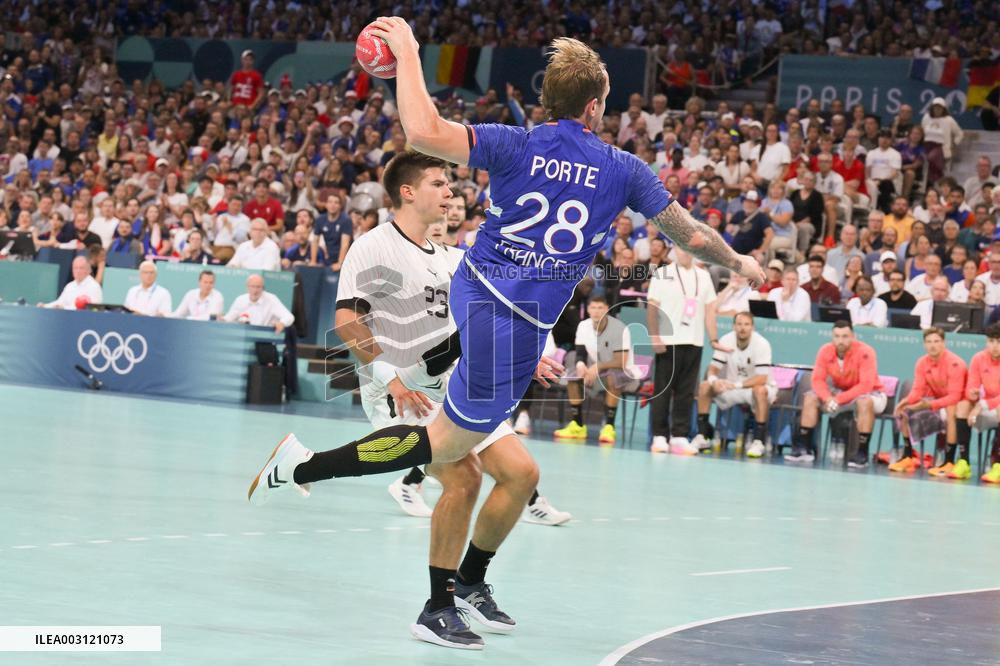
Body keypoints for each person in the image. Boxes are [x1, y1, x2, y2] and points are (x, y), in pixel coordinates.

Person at [246, 29, 762, 647]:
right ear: (596, 106)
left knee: (518, 474)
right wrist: (741, 263)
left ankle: (469, 581)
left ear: (549, 100)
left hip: (503, 313)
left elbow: (424, 130)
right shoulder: (625, 169)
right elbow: (693, 237)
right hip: (495, 314)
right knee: (445, 455)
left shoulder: (514, 143)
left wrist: (408, 60)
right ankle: (312, 479)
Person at [329, 153, 566, 650]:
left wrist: (526, 355)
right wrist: (391, 377)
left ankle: (471, 581)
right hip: (400, 390)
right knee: (463, 478)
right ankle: (436, 608)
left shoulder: (453, 256)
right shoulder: (373, 247)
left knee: (522, 475)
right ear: (408, 192)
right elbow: (349, 320)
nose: (450, 192)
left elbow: (476, 322)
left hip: (453, 384)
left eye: (451, 184)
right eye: (440, 183)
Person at [647, 247, 726, 454]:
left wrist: (714, 339)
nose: (685, 253)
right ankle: (659, 435)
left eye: (689, 250)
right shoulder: (663, 274)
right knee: (663, 390)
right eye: (681, 249)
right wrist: (654, 336)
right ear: (674, 251)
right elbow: (652, 308)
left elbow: (710, 310)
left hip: (694, 341)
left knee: (686, 391)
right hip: (668, 340)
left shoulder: (704, 276)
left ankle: (679, 436)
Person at [786, 320, 885, 467]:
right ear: (832, 337)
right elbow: (818, 380)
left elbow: (866, 385)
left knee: (864, 402)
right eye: (837, 336)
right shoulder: (825, 350)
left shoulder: (866, 352)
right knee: (810, 397)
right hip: (840, 395)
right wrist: (827, 398)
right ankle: (803, 449)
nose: (841, 341)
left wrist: (837, 399)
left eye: (845, 336)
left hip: (872, 394)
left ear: (853, 336)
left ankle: (861, 454)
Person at [554, 296, 641, 445]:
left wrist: (597, 367)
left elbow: (621, 361)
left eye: (600, 308)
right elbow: (580, 352)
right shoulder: (583, 326)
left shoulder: (619, 328)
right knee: (573, 375)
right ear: (588, 310)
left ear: (607, 309)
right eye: (593, 308)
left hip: (626, 373)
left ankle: (609, 427)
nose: (596, 311)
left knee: (614, 376)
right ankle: (578, 425)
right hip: (598, 372)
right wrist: (581, 365)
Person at [692, 311, 776, 458]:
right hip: (732, 387)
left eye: (746, 324)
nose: (742, 328)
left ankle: (758, 441)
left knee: (760, 390)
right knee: (705, 386)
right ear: (733, 326)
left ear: (752, 327)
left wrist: (736, 385)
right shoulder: (726, 340)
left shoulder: (762, 344)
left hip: (754, 389)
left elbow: (762, 378)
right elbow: (713, 369)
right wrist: (714, 381)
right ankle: (703, 436)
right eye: (739, 324)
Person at [889, 328, 967, 476]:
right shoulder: (922, 362)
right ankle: (908, 456)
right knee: (904, 410)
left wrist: (929, 405)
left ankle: (949, 461)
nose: (932, 345)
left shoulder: (955, 363)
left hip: (959, 405)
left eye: (937, 341)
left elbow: (955, 397)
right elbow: (917, 391)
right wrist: (904, 402)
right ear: (924, 344)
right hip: (937, 403)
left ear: (944, 343)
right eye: (929, 342)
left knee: (951, 408)